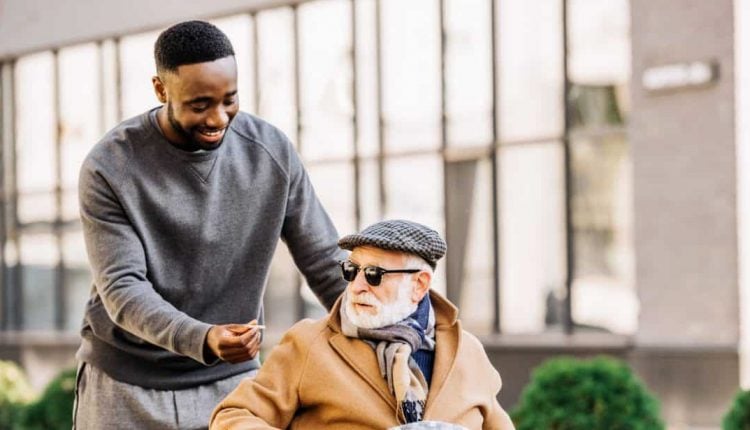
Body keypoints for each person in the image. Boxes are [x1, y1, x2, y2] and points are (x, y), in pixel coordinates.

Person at [73, 20, 347, 429]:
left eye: (229, 100)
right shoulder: (110, 166)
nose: (218, 118)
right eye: (200, 104)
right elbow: (122, 289)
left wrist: (381, 331)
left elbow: (325, 261)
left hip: (232, 385)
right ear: (161, 89)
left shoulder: (270, 153)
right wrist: (204, 338)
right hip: (125, 386)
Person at [210, 220, 516, 429]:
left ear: (420, 284)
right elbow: (233, 415)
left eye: (374, 275)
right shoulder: (308, 343)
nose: (357, 286)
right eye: (351, 271)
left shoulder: (468, 352)